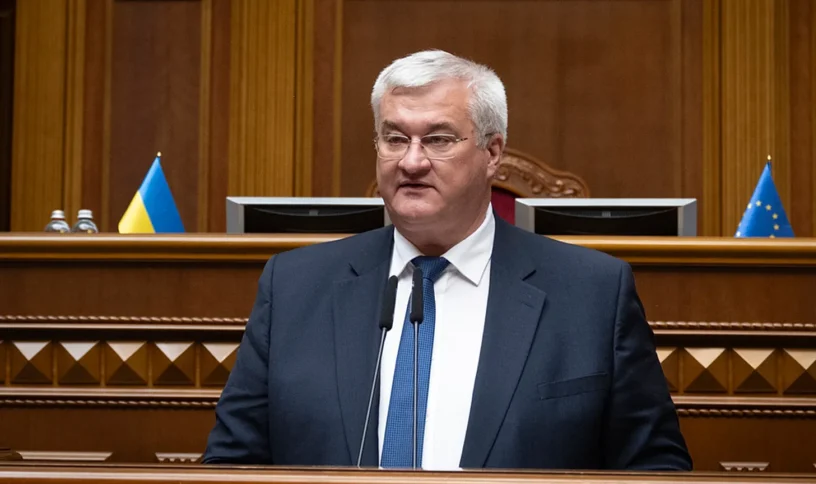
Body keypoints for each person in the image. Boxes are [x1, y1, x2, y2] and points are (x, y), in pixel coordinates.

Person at [202, 50, 691, 471]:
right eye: (395, 138)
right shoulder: (294, 286)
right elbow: (231, 465)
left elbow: (655, 469)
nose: (411, 162)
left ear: (492, 152)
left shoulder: (592, 293)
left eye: (438, 139)